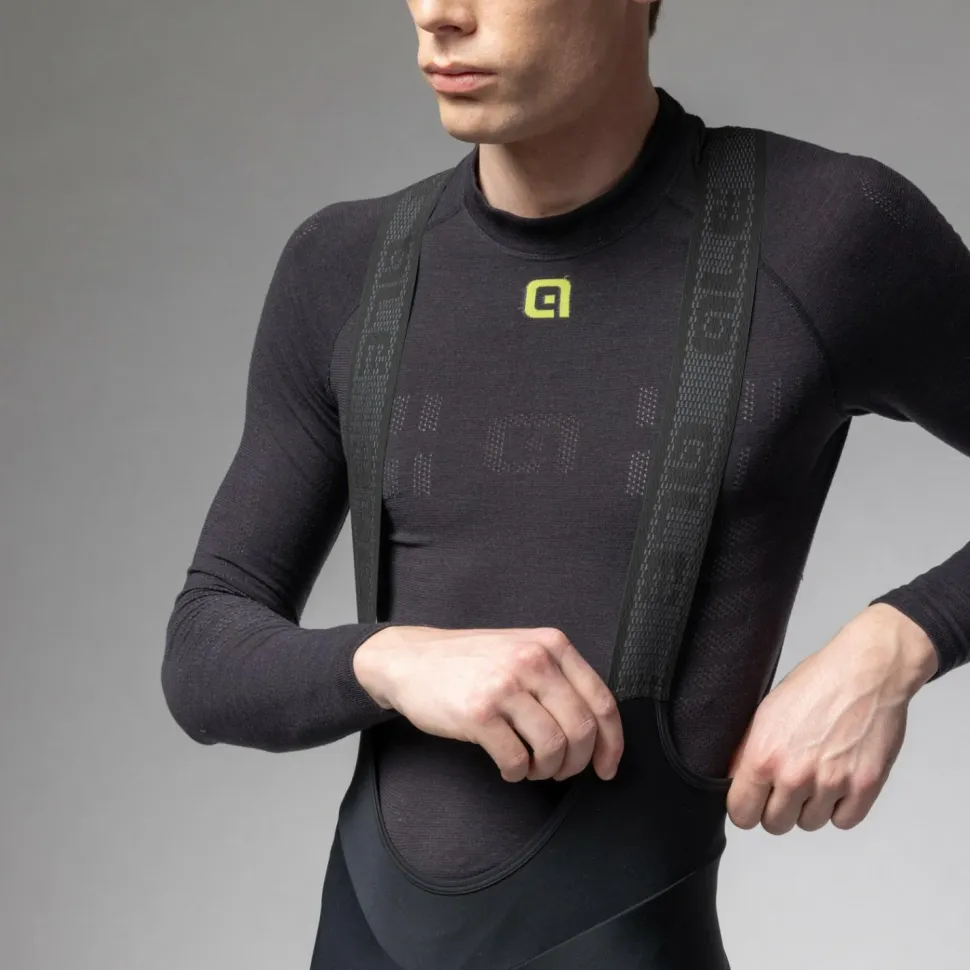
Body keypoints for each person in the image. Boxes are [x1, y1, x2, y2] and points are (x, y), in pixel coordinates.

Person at [161, 1, 970, 966]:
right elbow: (205, 650)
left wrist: (896, 643)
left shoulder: (825, 235)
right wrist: (392, 660)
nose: (438, 14)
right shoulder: (345, 266)